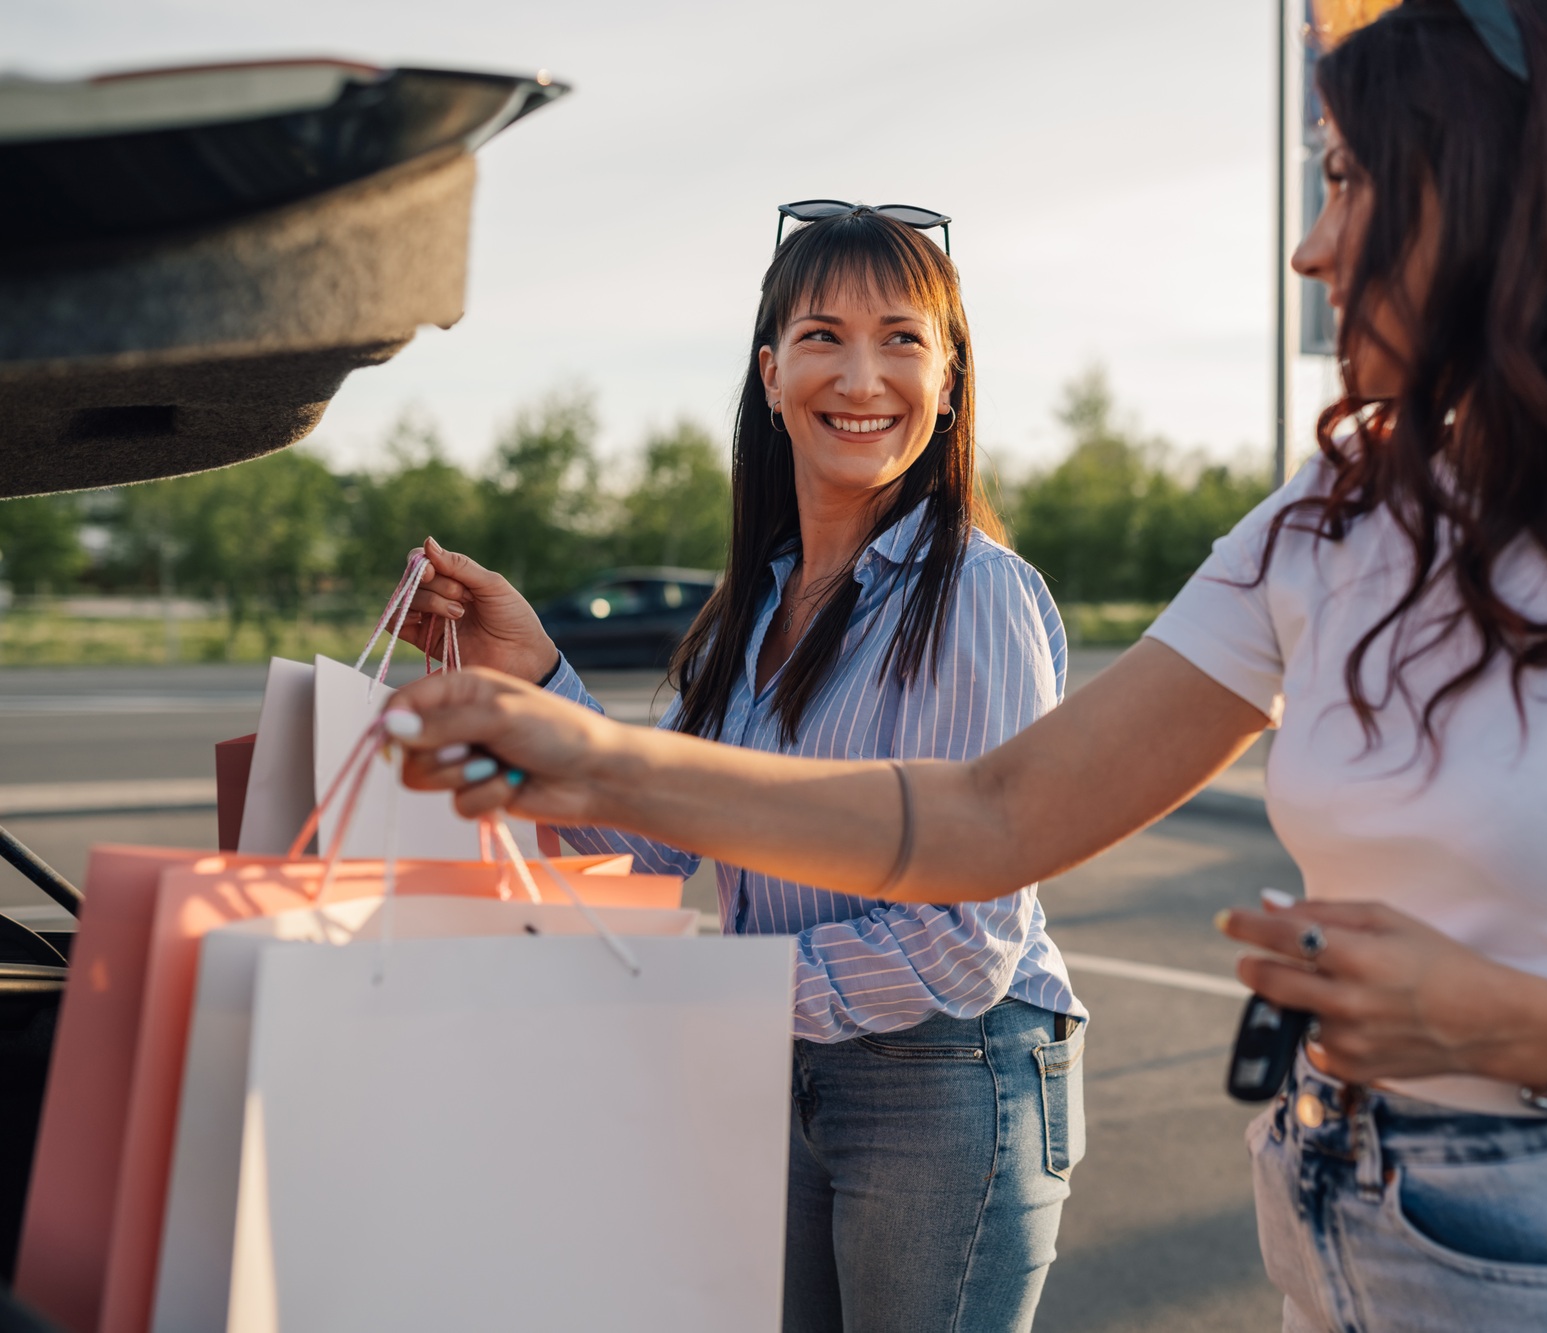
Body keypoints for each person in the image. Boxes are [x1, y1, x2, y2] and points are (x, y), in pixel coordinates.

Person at [383, 2, 1547, 1328]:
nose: (1312, 248)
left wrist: (1530, 1025)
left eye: (1353, 182)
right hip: (1325, 1210)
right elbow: (990, 816)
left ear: (1503, 197)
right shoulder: (1332, 519)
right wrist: (584, 752)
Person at [391, 205, 1086, 1333]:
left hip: (945, 1072)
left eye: (903, 339)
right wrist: (539, 678)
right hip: (783, 1058)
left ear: (950, 383)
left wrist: (725, 994)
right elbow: (660, 842)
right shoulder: (743, 614)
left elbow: (967, 939)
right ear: (771, 376)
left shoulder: (974, 593)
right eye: (821, 335)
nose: (861, 374)